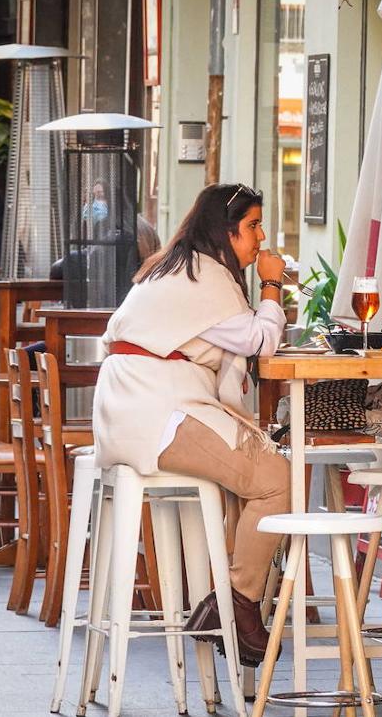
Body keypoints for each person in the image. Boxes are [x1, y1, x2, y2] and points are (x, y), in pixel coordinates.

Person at [92, 182, 289, 665]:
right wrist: (272, 285)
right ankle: (236, 606)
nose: (260, 238)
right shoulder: (206, 277)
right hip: (157, 408)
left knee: (253, 480)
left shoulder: (174, 266)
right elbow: (261, 340)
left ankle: (228, 603)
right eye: (252, 226)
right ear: (225, 231)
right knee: (278, 480)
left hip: (132, 406)